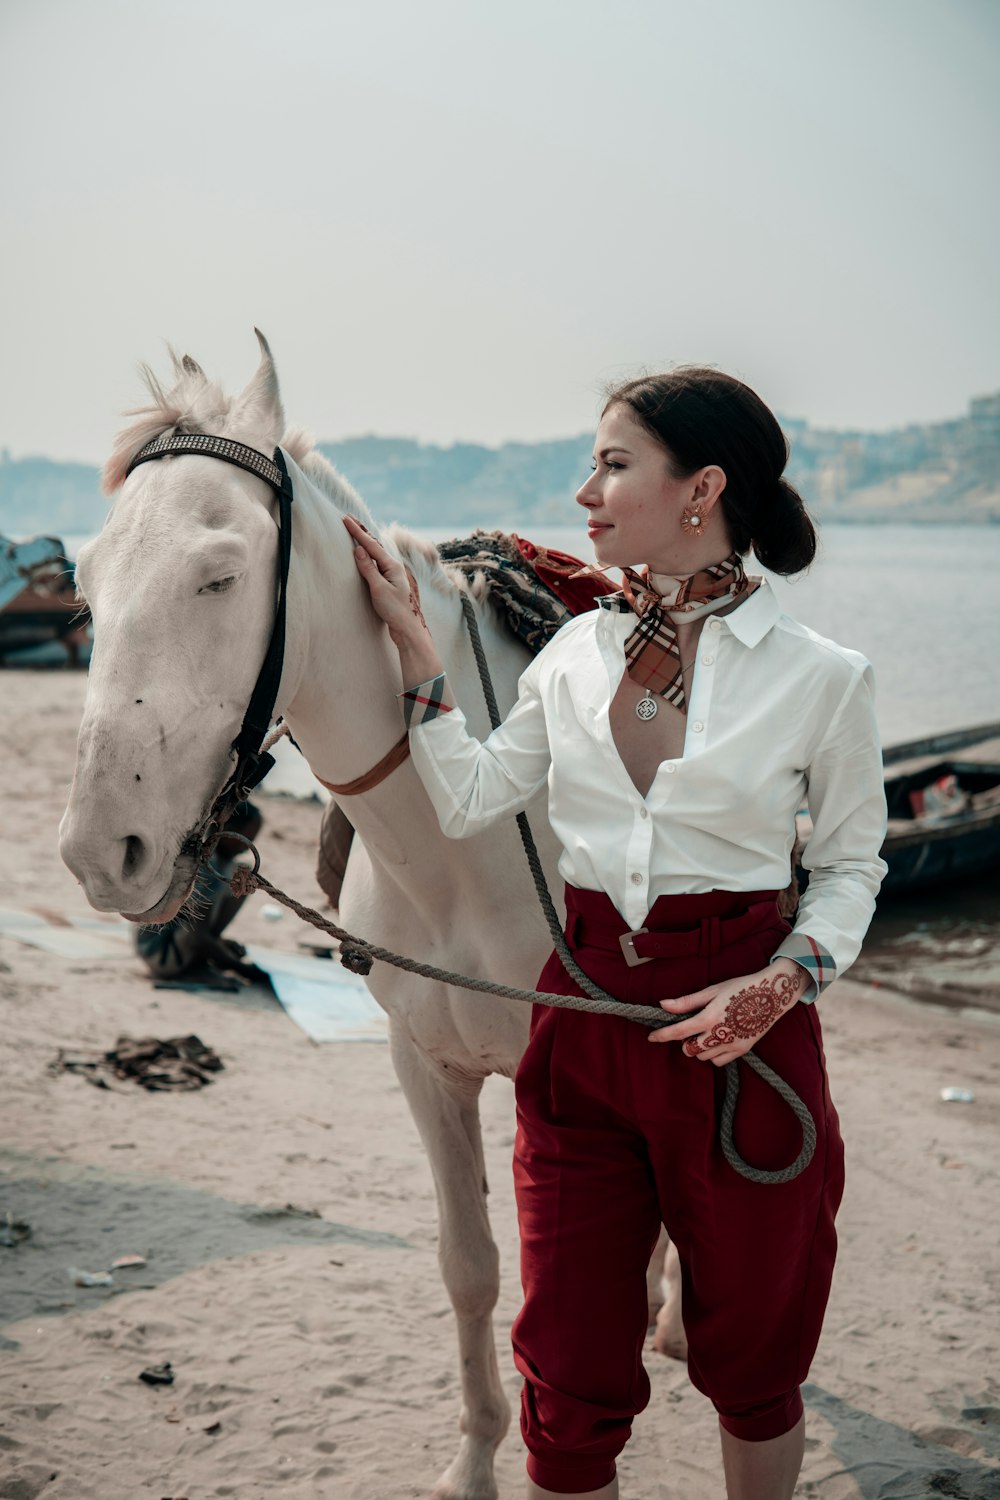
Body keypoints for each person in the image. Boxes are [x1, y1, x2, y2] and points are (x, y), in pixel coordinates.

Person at [344, 368, 888, 1500]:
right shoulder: (572, 654)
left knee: (754, 1356)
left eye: (612, 462)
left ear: (701, 488)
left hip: (745, 1042)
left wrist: (780, 985)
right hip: (580, 1023)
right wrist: (418, 660)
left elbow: (846, 870)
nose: (584, 489)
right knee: (569, 1364)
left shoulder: (823, 679)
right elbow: (469, 798)